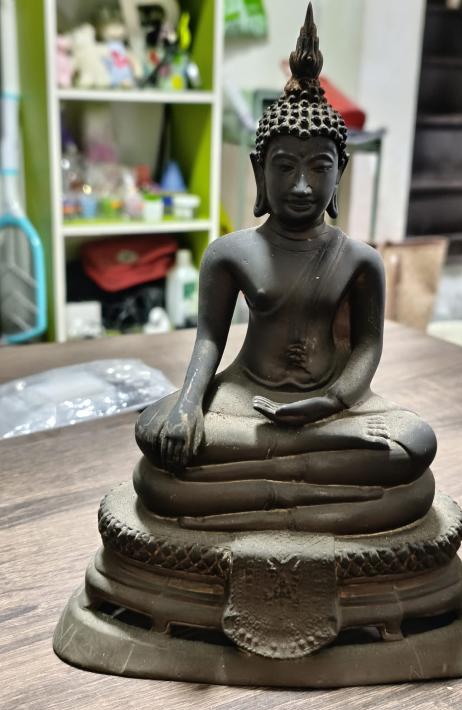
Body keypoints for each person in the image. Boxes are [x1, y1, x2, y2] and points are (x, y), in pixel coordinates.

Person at [134, 5, 437, 532]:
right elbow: (209, 338)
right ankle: (313, 497)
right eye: (284, 167)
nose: (301, 186)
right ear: (260, 171)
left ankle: (259, 495)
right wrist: (188, 405)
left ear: (339, 172)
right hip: (245, 397)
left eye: (319, 168)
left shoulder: (361, 260)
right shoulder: (229, 253)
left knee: (415, 443)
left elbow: (367, 347)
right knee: (155, 438)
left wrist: (329, 403)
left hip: (332, 407)